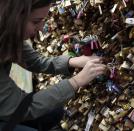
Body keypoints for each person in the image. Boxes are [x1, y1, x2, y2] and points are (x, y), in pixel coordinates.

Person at [0, 0, 107, 130]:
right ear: (13, 17)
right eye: (35, 21)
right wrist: (76, 82)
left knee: (54, 111)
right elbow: (19, 108)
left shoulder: (8, 34)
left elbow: (36, 61)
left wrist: (72, 61)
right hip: (11, 109)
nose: (40, 27)